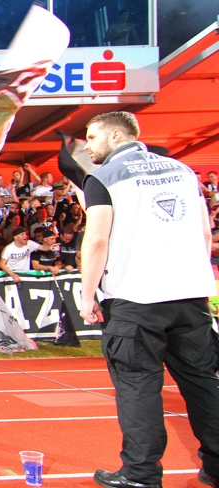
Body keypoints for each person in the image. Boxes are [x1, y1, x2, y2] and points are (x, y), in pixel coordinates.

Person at [79, 111, 219, 488]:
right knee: (203, 383)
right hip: (190, 298)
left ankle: (141, 473)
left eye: (92, 137)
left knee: (138, 385)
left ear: (116, 136)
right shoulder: (184, 172)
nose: (87, 144)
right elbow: (204, 234)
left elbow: (96, 240)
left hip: (136, 299)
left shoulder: (104, 176)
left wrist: (87, 294)